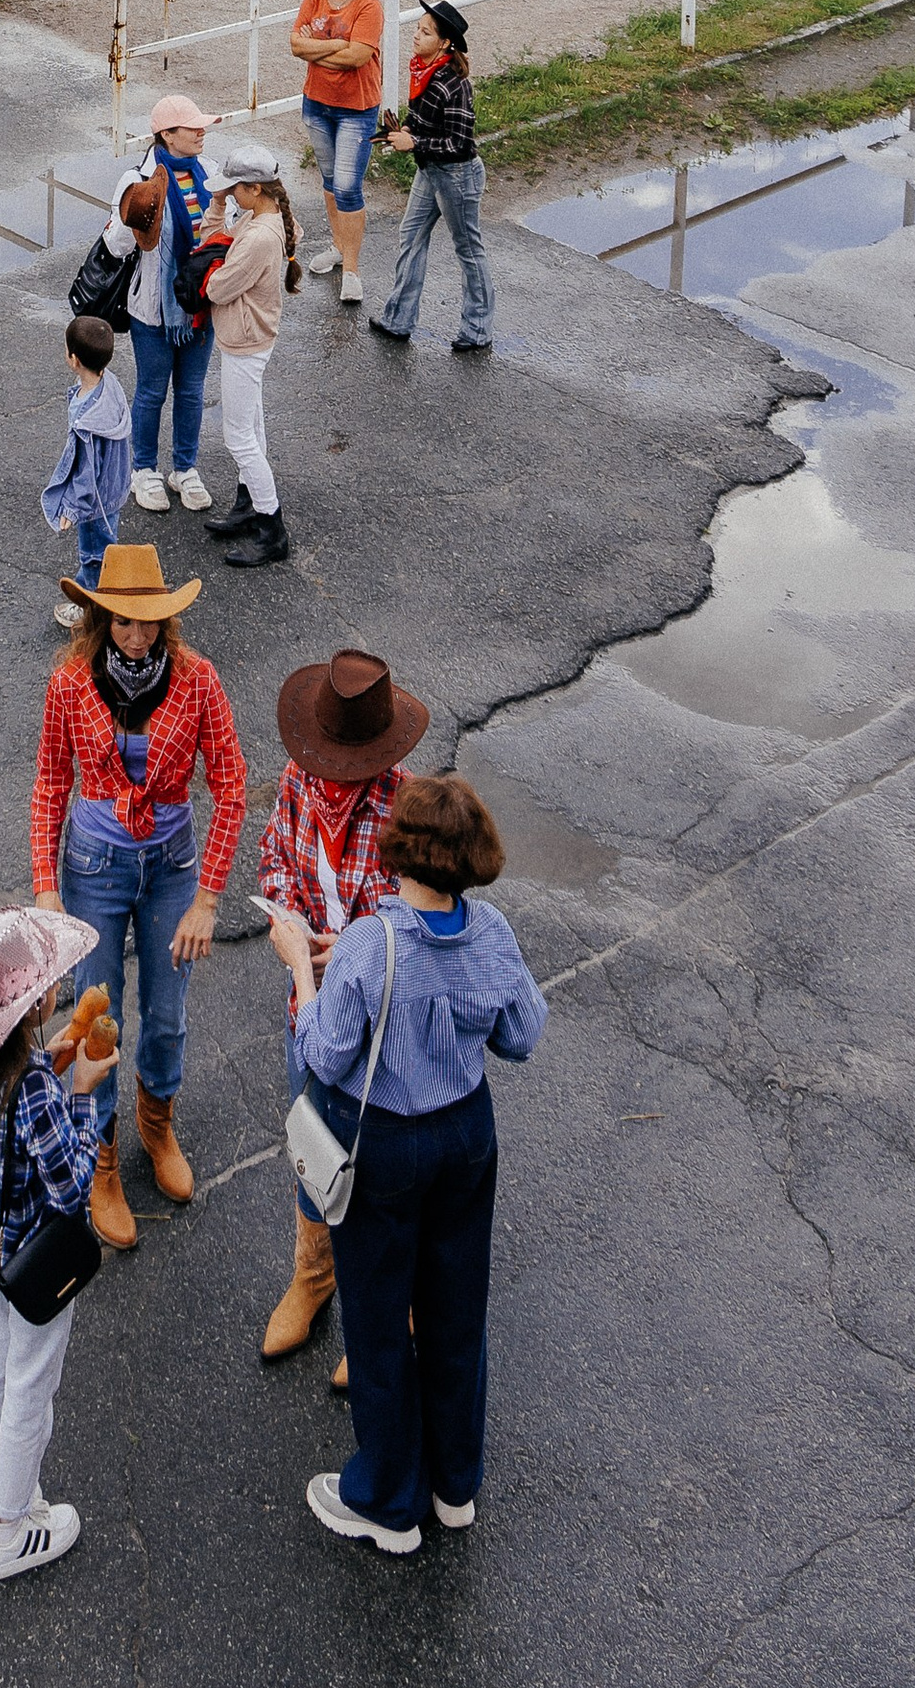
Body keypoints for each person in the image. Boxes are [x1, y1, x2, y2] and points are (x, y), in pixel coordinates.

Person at [276, 771, 546, 1557]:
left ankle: (388, 1501)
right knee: (458, 1309)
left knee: (379, 1315)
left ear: (401, 851)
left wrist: (299, 964)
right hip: (466, 1135)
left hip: (387, 1141)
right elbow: (521, 1035)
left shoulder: (370, 941)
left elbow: (325, 1053)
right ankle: (454, 1485)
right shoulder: (491, 931)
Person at [29, 537, 246, 1249]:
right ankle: (99, 1160)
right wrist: (46, 889)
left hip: (173, 865)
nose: (136, 631)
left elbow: (235, 786)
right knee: (98, 1021)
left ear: (165, 617)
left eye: (147, 618)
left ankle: (157, 1128)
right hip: (94, 867)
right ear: (100, 619)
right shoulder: (69, 681)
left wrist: (208, 897)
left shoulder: (198, 678)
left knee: (167, 1017)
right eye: (122, 619)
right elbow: (50, 785)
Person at [253, 650, 427, 1368]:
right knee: (314, 1149)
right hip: (310, 1010)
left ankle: (392, 1304)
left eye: (348, 763)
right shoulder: (297, 784)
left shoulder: (410, 809)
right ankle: (315, 1278)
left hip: (385, 1027)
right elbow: (271, 860)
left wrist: (349, 947)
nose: (332, 776)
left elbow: (425, 922)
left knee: (384, 1167)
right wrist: (283, 921)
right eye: (326, 759)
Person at [0, 903, 116, 1584]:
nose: (56, 989)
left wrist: (55, 1064)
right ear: (28, 1006)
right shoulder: (37, 1088)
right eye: (45, 983)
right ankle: (10, 1528)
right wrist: (84, 1093)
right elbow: (70, 1186)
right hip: (34, 1266)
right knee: (30, 1388)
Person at [99, 96, 217, 514]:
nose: (202, 131)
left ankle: (184, 469)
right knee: (151, 392)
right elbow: (113, 245)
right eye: (193, 127)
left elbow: (226, 230)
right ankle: (143, 470)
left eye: (203, 125)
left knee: (191, 392)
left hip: (200, 308)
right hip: (153, 310)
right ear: (167, 135)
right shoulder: (135, 179)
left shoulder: (211, 175)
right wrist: (139, 218)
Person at [373, 0, 495, 354]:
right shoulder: (424, 70)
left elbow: (459, 143)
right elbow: (427, 120)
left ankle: (477, 330)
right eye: (417, 28)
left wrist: (413, 141)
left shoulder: (454, 84)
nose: (415, 35)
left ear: (443, 43)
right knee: (410, 235)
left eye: (425, 32)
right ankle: (398, 320)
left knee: (469, 249)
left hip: (458, 177)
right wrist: (409, 128)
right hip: (431, 170)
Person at [207, 142, 300, 568]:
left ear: (254, 189)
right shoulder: (265, 217)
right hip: (253, 337)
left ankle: (271, 528)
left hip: (245, 341)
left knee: (239, 438)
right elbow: (215, 241)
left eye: (234, 189)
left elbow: (217, 288)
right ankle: (248, 506)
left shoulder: (259, 236)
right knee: (253, 427)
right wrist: (217, 204)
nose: (230, 196)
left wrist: (214, 270)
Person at [291, 0, 385, 308]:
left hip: (356, 109)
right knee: (329, 181)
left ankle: (352, 269)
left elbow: (358, 57)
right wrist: (333, 46)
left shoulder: (368, 6)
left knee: (348, 186)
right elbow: (296, 44)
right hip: (317, 102)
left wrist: (318, 52)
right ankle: (337, 246)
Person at [44, 316, 133, 625]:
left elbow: (85, 471)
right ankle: (99, 598)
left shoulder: (87, 419)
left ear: (74, 360)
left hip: (94, 501)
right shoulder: (111, 385)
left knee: (94, 554)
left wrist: (72, 507)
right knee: (105, 547)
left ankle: (91, 612)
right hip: (114, 489)